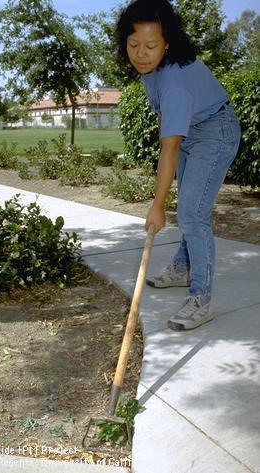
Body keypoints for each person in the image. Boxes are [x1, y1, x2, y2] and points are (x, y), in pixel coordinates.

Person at [115, 0, 241, 330]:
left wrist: (157, 206)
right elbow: (169, 133)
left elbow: (168, 147)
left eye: (151, 46)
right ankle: (183, 265)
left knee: (191, 214)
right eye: (133, 44)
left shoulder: (175, 84)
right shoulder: (153, 69)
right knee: (189, 207)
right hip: (195, 127)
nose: (141, 53)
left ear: (167, 43)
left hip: (215, 130)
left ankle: (201, 296)